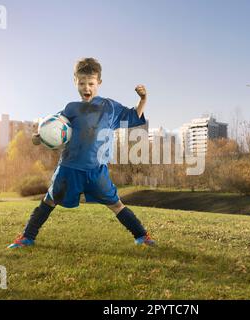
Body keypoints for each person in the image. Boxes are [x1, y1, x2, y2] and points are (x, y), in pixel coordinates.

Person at [8, 57, 155, 248]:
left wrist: (143, 99)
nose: (87, 88)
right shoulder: (71, 109)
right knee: (49, 200)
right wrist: (40, 138)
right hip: (69, 168)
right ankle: (27, 237)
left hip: (97, 170)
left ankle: (142, 236)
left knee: (116, 204)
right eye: (82, 83)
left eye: (91, 83)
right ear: (75, 81)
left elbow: (134, 116)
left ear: (99, 83)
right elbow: (53, 129)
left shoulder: (109, 107)